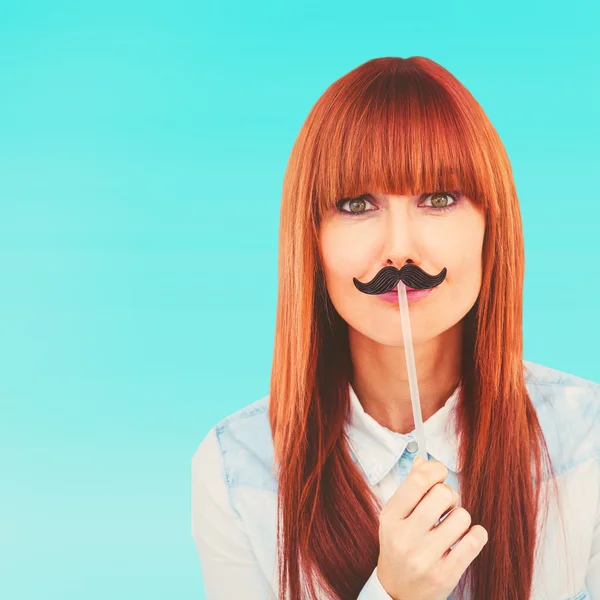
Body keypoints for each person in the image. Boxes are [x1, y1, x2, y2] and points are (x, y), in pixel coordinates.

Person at [191, 56, 600, 600]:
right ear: (310, 240)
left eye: (437, 199)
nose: (400, 247)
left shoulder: (587, 443)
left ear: (490, 225)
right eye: (357, 204)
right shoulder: (238, 471)